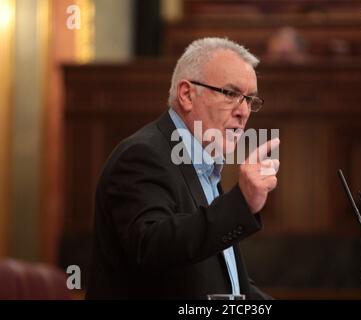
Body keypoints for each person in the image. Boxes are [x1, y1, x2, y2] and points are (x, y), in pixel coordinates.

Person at [86, 37, 280, 299]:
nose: (243, 111)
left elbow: (222, 283)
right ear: (187, 94)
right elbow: (153, 247)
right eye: (231, 94)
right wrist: (241, 203)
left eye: (250, 100)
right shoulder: (143, 155)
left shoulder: (204, 168)